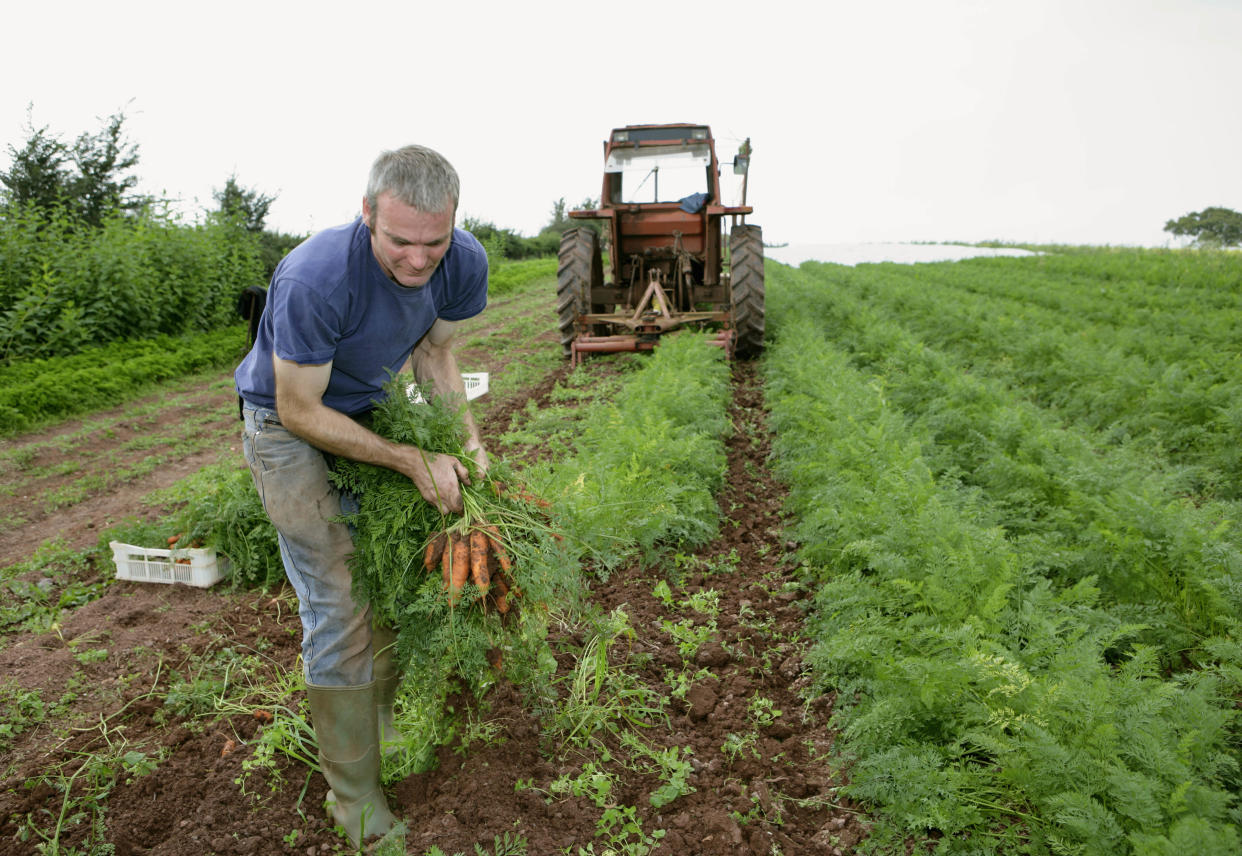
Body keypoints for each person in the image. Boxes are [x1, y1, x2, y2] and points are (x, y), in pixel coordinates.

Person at [234, 144, 489, 845]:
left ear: (454, 224)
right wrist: (411, 459)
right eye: (400, 243)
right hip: (289, 425)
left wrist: (465, 444)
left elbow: (436, 357)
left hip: (370, 410)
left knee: (387, 569)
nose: (417, 261)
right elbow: (300, 410)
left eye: (432, 243)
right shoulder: (317, 276)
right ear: (367, 213)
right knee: (340, 599)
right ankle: (355, 805)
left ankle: (375, 728)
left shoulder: (462, 262)